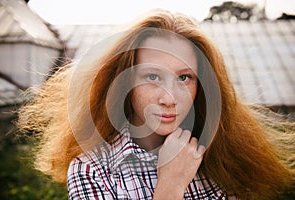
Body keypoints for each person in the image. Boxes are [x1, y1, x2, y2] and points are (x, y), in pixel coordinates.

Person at [17, 9, 294, 199]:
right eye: (152, 76)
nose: (170, 98)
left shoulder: (222, 151)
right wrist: (170, 186)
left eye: (184, 77)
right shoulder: (92, 171)